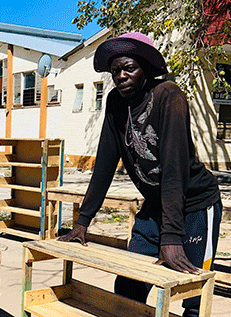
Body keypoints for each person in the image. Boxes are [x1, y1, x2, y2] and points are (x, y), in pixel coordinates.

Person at [57, 32, 222, 317]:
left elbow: (173, 170)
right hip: (156, 207)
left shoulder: (168, 96)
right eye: (115, 71)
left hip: (196, 207)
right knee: (129, 286)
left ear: (145, 69)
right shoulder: (115, 104)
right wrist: (82, 222)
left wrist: (171, 237)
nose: (120, 76)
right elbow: (104, 167)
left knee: (192, 292)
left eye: (129, 68)